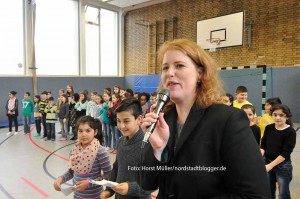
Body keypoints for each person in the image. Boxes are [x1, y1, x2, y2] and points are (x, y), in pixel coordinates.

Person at [140, 39, 271, 198]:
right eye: (165, 68)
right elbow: (146, 183)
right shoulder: (163, 120)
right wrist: (158, 150)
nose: (170, 73)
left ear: (200, 73)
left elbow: (255, 195)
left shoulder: (227, 120)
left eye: (179, 65)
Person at [100, 98, 152, 199]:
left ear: (139, 119)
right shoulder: (120, 141)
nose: (121, 126)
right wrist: (109, 190)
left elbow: (152, 184)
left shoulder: (147, 145)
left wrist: (130, 188)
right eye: (119, 121)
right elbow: (116, 168)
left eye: (126, 121)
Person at [54, 116, 112, 199]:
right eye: (80, 131)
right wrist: (60, 180)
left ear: (95, 132)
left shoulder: (100, 152)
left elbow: (109, 175)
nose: (84, 134)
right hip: (77, 196)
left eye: (88, 131)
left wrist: (90, 183)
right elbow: (72, 172)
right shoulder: (74, 151)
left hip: (95, 197)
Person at [260, 104, 296, 199]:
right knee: (268, 190)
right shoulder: (269, 128)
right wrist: (260, 158)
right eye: (275, 115)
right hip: (267, 162)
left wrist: (270, 166)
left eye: (281, 115)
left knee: (283, 193)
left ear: (287, 116)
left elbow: (285, 153)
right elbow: (263, 145)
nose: (277, 117)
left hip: (283, 166)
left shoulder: (290, 132)